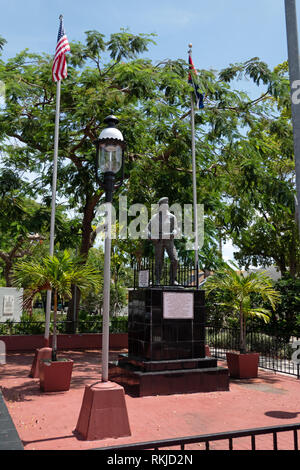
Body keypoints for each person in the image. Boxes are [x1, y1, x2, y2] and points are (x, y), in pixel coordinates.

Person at [147, 197, 179, 285]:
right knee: (158, 261)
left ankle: (172, 280)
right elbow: (147, 229)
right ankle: (157, 280)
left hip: (169, 240)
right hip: (158, 241)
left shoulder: (172, 217)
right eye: (163, 205)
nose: (165, 207)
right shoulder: (154, 217)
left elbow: (176, 229)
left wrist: (174, 233)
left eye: (166, 205)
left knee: (175, 259)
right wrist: (151, 236)